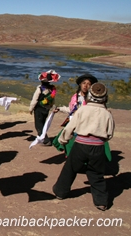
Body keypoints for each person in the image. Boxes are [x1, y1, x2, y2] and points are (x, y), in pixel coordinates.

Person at [52, 83, 115, 211]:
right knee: (96, 174)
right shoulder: (107, 114)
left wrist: (63, 140)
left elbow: (70, 127)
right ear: (105, 97)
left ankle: (60, 192)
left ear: (90, 96)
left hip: (80, 144)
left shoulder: (82, 110)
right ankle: (101, 202)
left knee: (70, 168)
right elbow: (109, 134)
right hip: (98, 147)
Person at [53, 74, 98, 154]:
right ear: (80, 84)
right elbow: (70, 110)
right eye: (84, 83)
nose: (85, 86)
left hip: (85, 126)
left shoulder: (92, 99)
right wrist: (59, 109)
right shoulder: (75, 97)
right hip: (74, 124)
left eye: (88, 84)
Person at [29, 69, 60, 146]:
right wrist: (53, 107)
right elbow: (52, 100)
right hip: (46, 109)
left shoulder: (39, 89)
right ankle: (42, 138)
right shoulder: (52, 90)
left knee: (38, 125)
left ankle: (45, 140)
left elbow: (35, 99)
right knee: (43, 123)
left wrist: (31, 108)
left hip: (39, 109)